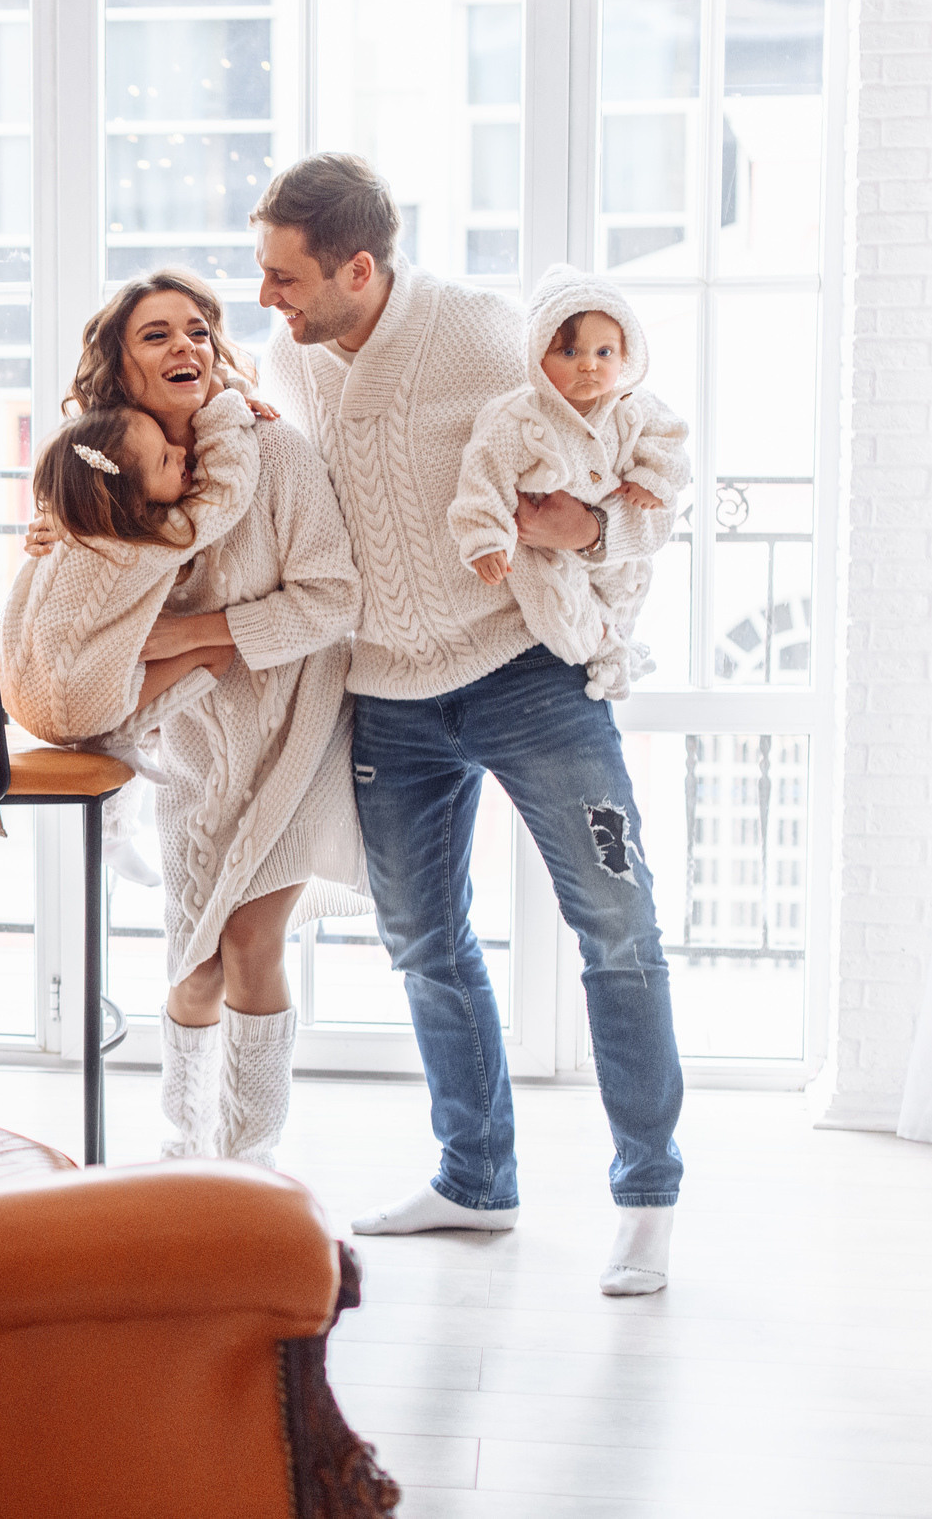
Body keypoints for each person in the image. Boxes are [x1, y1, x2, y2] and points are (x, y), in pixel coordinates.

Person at [249, 153, 684, 1296]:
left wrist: (592, 530)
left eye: (284, 276)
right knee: (423, 943)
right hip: (387, 699)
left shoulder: (485, 336)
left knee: (616, 926)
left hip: (526, 674)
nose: (266, 297)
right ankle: (475, 1179)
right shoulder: (289, 362)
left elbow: (642, 466)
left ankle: (647, 1196)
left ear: (357, 268)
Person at [5, 272, 364, 1166]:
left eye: (198, 330)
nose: (185, 346)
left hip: (296, 732)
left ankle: (249, 1166)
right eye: (157, 334)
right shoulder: (112, 481)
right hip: (196, 748)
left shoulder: (272, 455)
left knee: (250, 941)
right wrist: (53, 539)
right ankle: (184, 1140)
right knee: (196, 966)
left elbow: (333, 599)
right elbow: (80, 612)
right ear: (120, 365)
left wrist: (195, 633)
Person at [449, 266, 690, 702]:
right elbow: (484, 474)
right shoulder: (519, 418)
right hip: (545, 548)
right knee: (554, 604)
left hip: (614, 540)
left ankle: (620, 638)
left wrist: (652, 478)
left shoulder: (633, 407)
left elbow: (671, 438)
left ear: (625, 355)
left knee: (630, 583)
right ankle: (599, 649)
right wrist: (486, 539)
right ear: (538, 357)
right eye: (569, 352)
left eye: (604, 352)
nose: (588, 364)